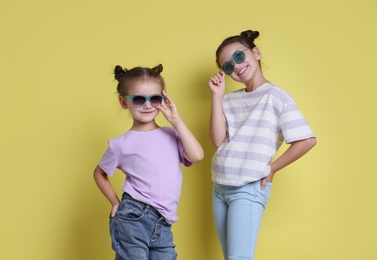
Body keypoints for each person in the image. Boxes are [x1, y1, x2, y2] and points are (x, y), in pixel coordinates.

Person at [208, 30, 317, 259]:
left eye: (239, 57)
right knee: (231, 256)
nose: (236, 67)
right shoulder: (229, 99)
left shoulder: (276, 96)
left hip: (248, 187)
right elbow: (217, 140)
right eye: (228, 66)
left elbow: (306, 140)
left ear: (256, 53)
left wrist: (272, 168)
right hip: (220, 185)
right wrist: (217, 97)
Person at [94, 64, 204, 260]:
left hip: (163, 223)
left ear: (163, 99)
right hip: (133, 218)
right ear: (123, 102)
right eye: (138, 99)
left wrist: (176, 120)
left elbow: (197, 156)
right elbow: (99, 173)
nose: (147, 105)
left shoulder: (171, 134)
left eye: (154, 99)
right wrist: (114, 202)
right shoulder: (120, 144)